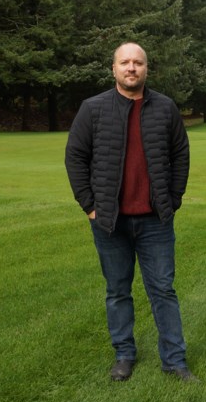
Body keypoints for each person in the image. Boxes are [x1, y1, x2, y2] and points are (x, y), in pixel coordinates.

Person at [65, 42, 195, 382]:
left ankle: (175, 361)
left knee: (163, 290)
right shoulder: (93, 109)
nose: (132, 68)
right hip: (110, 222)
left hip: (155, 221)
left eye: (138, 62)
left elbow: (181, 155)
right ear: (114, 69)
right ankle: (124, 355)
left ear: (146, 69)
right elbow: (75, 158)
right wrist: (90, 207)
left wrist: (174, 198)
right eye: (125, 62)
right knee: (117, 290)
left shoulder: (165, 109)